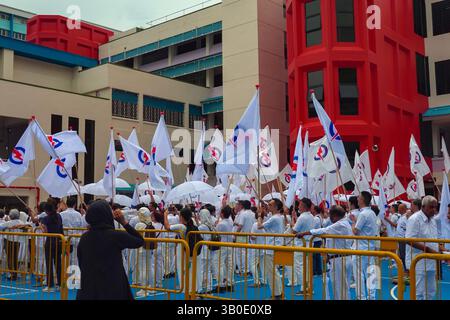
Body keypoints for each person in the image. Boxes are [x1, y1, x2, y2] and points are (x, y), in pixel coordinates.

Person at [76, 200, 144, 300]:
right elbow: (139, 241)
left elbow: (81, 261)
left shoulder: (85, 237)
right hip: (112, 285)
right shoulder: (115, 235)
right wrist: (124, 223)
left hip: (90, 286)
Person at [297, 205, 353, 300]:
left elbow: (324, 230)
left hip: (339, 259)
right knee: (343, 287)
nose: (329, 217)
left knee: (339, 288)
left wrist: (304, 233)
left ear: (334, 215)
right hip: (341, 257)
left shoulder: (341, 224)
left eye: (330, 215)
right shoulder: (344, 223)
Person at [406, 196, 444, 300]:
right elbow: (409, 240)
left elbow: (433, 239)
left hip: (431, 261)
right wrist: (428, 250)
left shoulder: (432, 221)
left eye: (435, 207)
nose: (434, 210)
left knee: (431, 291)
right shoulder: (414, 219)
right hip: (418, 262)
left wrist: (442, 250)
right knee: (418, 293)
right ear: (423, 207)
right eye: (431, 207)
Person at [163, 206, 203, 295]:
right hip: (193, 251)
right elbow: (186, 217)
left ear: (181, 217)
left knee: (184, 270)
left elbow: (167, 227)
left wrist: (165, 215)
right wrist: (178, 213)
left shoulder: (181, 226)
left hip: (183, 251)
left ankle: (187, 290)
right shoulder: (193, 224)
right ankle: (195, 289)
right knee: (193, 270)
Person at [348, 191, 379, 300]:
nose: (357, 199)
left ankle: (361, 297)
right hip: (369, 247)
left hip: (360, 248)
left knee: (359, 274)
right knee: (371, 274)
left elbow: (356, 231)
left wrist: (352, 222)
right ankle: (371, 297)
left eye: (359, 198)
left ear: (362, 200)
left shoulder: (363, 214)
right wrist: (355, 220)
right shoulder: (371, 213)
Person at [257, 198, 284, 300]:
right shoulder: (278, 217)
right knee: (274, 272)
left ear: (276, 207)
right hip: (275, 246)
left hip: (272, 248)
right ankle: (278, 293)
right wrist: (264, 206)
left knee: (272, 272)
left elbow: (259, 226)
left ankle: (277, 295)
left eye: (270, 205)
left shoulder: (275, 218)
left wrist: (259, 215)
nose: (268, 206)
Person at [288, 198, 315, 294]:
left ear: (303, 206)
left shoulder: (303, 217)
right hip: (308, 244)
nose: (298, 206)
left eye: (299, 204)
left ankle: (304, 287)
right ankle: (308, 286)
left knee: (299, 266)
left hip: (301, 245)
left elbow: (294, 231)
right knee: (307, 266)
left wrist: (292, 221)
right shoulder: (311, 216)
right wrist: (295, 219)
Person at [0, 209, 28, 281]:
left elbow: (0, 226)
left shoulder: (9, 223)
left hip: (9, 241)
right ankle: (15, 273)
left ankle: (12, 274)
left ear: (11, 216)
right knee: (15, 258)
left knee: (9, 258)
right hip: (17, 241)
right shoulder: (21, 222)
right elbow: (27, 226)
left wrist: (7, 227)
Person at [215, 205, 234, 292]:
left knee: (220, 264)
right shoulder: (231, 221)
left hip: (222, 245)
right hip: (229, 244)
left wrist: (216, 225)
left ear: (222, 213)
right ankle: (230, 283)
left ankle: (220, 284)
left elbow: (216, 234)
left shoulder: (221, 224)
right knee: (229, 264)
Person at [234, 200, 256, 276]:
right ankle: (249, 269)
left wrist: (235, 235)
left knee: (241, 253)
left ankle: (244, 269)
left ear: (242, 206)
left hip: (243, 235)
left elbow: (240, 226)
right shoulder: (253, 214)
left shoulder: (243, 214)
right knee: (249, 253)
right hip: (251, 234)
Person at [311, 205, 324, 276]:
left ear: (315, 210)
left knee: (314, 256)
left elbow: (312, 227)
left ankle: (314, 271)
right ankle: (319, 270)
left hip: (315, 239)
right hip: (318, 239)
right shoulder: (320, 217)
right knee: (317, 256)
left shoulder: (316, 218)